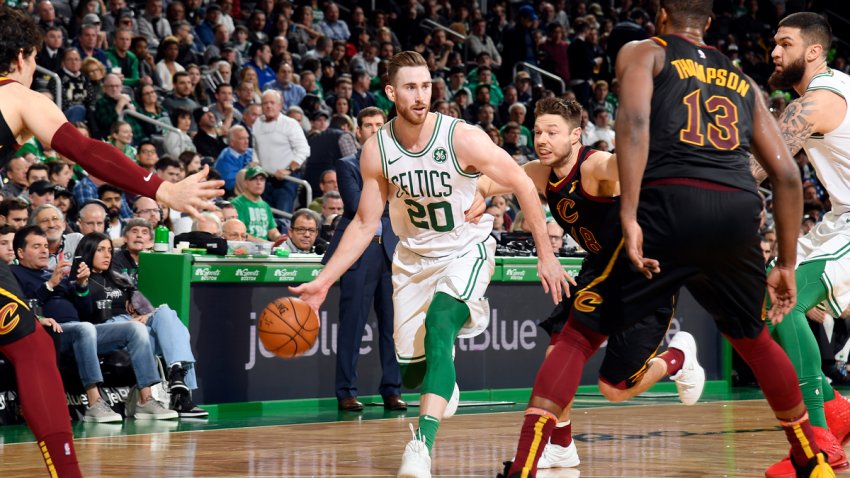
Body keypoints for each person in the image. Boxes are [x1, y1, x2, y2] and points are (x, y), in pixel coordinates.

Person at [502, 1, 826, 476]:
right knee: (755, 340)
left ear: (660, 17)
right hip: (736, 209)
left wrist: (630, 213)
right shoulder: (742, 79)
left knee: (574, 337)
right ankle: (810, 459)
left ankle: (524, 468)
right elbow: (786, 175)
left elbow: (632, 125)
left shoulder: (645, 52)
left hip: (670, 203)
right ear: (709, 25)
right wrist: (785, 262)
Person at [290, 51, 570, 477]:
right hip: (412, 259)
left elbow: (522, 184)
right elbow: (366, 222)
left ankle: (421, 444)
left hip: (465, 250)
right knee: (413, 372)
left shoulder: (461, 137)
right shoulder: (377, 149)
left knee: (441, 326)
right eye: (410, 87)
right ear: (391, 92)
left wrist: (545, 256)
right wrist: (325, 280)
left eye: (425, 86)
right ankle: (442, 379)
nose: (421, 95)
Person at [0, 7, 221, 476]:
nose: (36, 68)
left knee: (31, 344)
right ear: (20, 55)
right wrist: (163, 189)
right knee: (33, 350)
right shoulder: (15, 93)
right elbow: (84, 150)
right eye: (35, 57)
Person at [480, 97, 702, 469]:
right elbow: (493, 179)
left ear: (576, 135)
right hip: (599, 267)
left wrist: (646, 131)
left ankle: (678, 358)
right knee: (559, 350)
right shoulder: (539, 172)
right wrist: (475, 193)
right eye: (537, 132)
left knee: (614, 389)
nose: (542, 140)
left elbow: (620, 165)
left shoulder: (595, 166)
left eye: (553, 132)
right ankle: (562, 445)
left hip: (641, 275)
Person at [747, 12, 850, 477]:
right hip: (838, 221)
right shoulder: (833, 89)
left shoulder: (820, 100)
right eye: (773, 43)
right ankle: (836, 411)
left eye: (784, 44)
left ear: (813, 51)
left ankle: (818, 445)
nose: (774, 52)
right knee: (766, 296)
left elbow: (755, 167)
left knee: (782, 300)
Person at [11, 226, 178, 424]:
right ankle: (94, 402)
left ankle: (146, 399)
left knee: (136, 328)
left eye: (46, 246)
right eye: (36, 246)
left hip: (82, 330)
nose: (44, 251)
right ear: (20, 252)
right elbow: (17, 309)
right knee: (85, 328)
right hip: (50, 333)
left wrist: (81, 285)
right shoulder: (14, 275)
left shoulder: (54, 273)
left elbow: (85, 311)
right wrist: (48, 289)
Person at [322, 107, 405, 412]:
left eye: (378, 125)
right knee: (352, 325)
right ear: (358, 132)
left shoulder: (399, 164)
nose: (373, 129)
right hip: (359, 251)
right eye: (367, 125)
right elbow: (359, 207)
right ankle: (346, 391)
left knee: (393, 327)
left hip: (392, 252)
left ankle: (392, 389)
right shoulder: (346, 165)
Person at [78, 232, 208, 418]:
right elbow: (82, 313)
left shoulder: (120, 280)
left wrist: (145, 316)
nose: (107, 255)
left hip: (134, 326)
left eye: (109, 250)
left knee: (165, 313)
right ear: (88, 252)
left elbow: (147, 308)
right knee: (169, 329)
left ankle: (177, 378)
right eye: (100, 250)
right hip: (107, 329)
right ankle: (181, 393)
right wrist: (81, 285)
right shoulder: (81, 280)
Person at [231, 166, 281, 242]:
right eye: (254, 179)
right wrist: (265, 243)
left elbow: (272, 230)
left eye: (262, 179)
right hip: (245, 249)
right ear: (245, 182)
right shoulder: (237, 204)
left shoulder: (265, 205)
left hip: (265, 249)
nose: (259, 183)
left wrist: (279, 238)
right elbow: (240, 233)